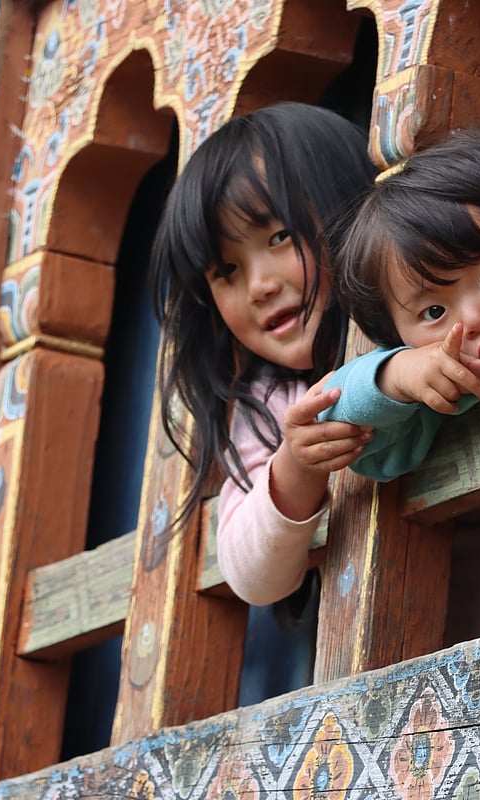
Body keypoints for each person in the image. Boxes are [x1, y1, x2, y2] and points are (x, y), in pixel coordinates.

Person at [150, 102, 375, 702]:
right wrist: (294, 470)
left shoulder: (430, 312)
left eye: (279, 236)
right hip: (378, 673)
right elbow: (254, 576)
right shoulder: (272, 405)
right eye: (227, 269)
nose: (260, 284)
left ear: (350, 207)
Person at [320, 129, 480, 610]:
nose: (472, 319)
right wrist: (398, 375)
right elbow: (338, 425)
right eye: (433, 313)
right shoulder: (453, 402)